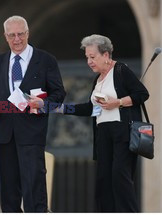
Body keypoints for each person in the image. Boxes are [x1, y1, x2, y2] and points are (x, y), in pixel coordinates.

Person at [0, 15, 66, 212]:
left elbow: (59, 94)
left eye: (20, 34)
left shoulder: (45, 60)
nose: (17, 39)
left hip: (32, 132)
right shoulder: (0, 61)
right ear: (5, 37)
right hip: (4, 134)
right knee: (8, 193)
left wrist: (43, 103)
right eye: (12, 35)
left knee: (34, 188)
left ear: (28, 33)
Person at [61, 34, 149, 212]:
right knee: (103, 181)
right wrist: (57, 108)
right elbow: (89, 108)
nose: (89, 62)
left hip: (122, 132)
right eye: (87, 57)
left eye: (92, 57)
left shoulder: (121, 70)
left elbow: (142, 94)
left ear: (106, 55)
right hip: (103, 134)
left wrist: (117, 102)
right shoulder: (97, 80)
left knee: (120, 178)